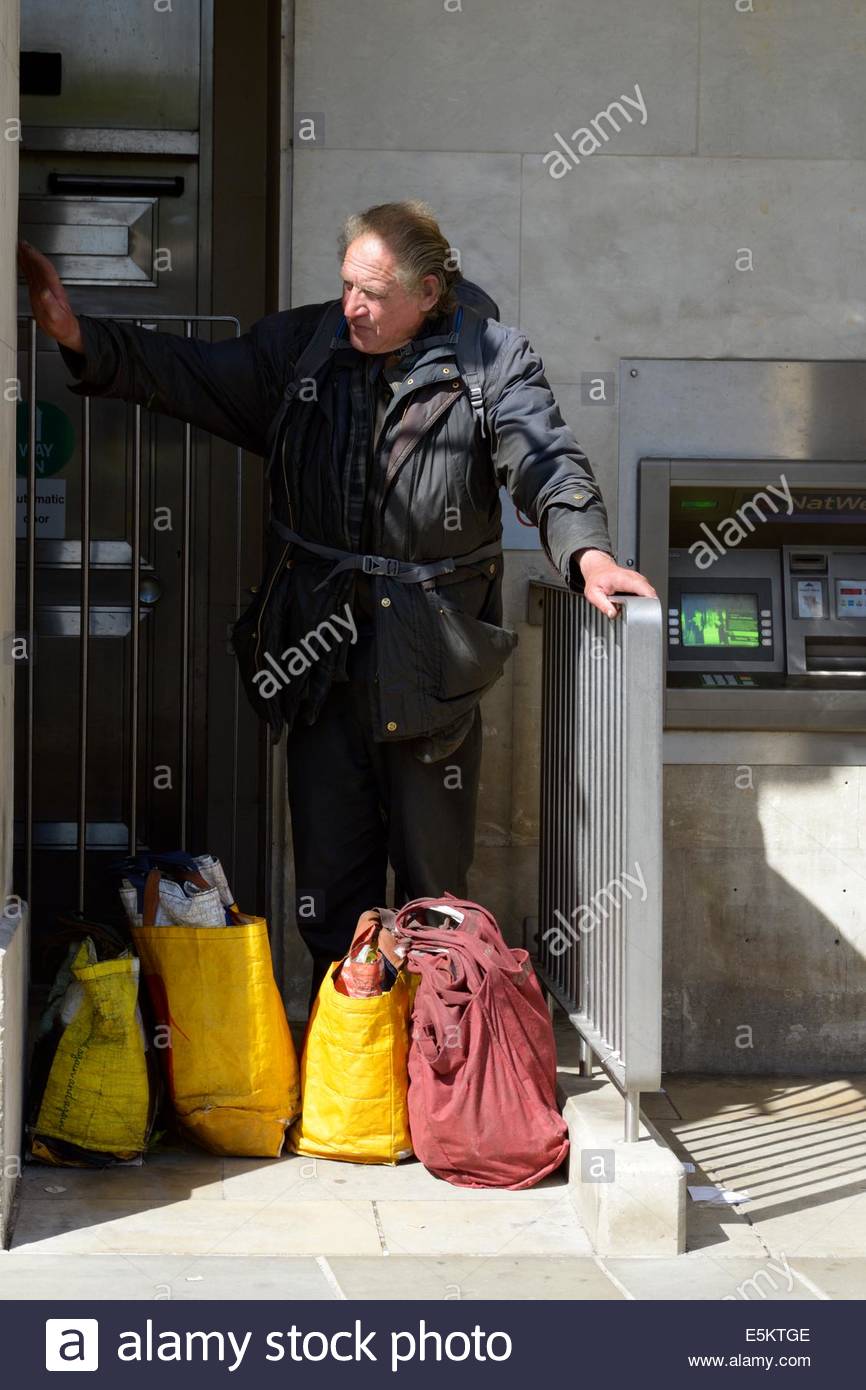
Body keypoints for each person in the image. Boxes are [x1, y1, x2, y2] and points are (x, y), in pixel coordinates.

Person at [17, 200, 656, 1006]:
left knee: (435, 895)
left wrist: (589, 553)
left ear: (429, 291)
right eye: (347, 284)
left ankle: (439, 1081)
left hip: (433, 663)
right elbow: (191, 372)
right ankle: (352, 1080)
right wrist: (81, 335)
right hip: (317, 654)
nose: (353, 305)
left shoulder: (492, 359)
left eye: (375, 293)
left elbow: (547, 460)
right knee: (328, 879)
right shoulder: (304, 347)